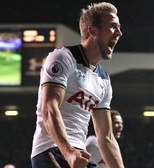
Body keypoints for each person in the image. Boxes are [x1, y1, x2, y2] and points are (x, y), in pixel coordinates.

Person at [30, 2, 124, 168]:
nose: (119, 33)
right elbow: (49, 108)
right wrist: (69, 152)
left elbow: (106, 138)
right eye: (112, 26)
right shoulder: (63, 57)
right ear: (93, 30)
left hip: (79, 155)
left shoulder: (103, 79)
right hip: (52, 150)